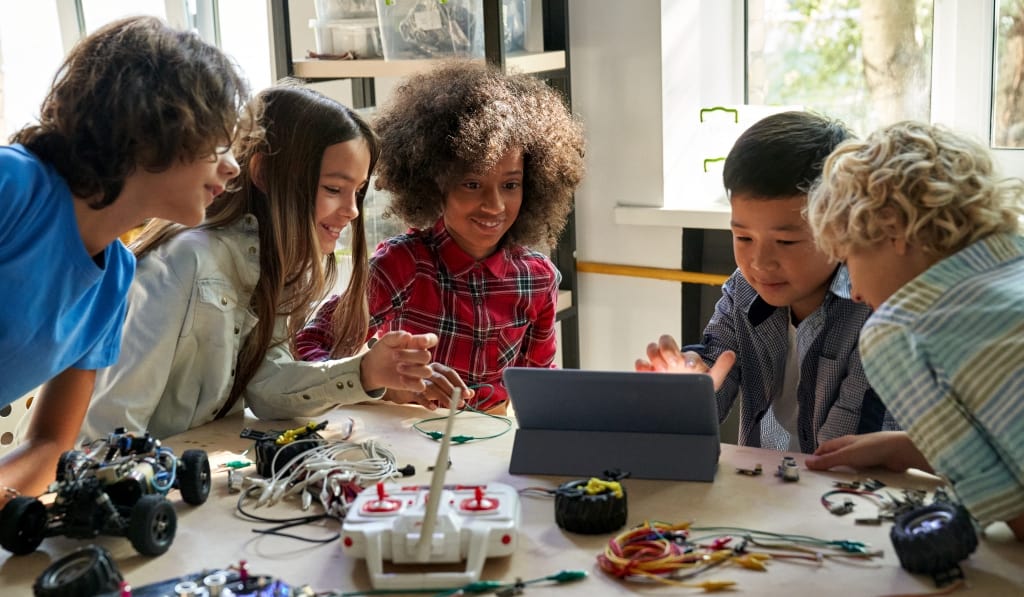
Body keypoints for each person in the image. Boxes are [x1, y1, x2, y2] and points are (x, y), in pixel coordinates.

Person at [81, 84, 451, 442]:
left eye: (357, 191)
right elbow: (110, 428)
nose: (352, 211)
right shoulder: (183, 262)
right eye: (334, 189)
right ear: (264, 174)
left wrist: (365, 372)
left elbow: (264, 387)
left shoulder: (272, 264)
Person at [0, 16, 249, 501]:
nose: (232, 165)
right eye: (218, 143)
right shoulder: (13, 187)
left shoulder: (116, 277)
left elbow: (52, 444)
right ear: (153, 123)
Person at [295, 61, 586, 413]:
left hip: (487, 447)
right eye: (472, 184)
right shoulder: (402, 266)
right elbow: (311, 346)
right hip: (411, 444)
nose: (494, 205)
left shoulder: (538, 280)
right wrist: (378, 378)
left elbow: (540, 391)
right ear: (435, 183)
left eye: (510, 185)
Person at [803, 121, 1024, 541]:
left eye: (849, 260)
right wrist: (910, 446)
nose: (855, 292)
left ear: (893, 229)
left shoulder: (900, 329)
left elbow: (1013, 513)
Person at [636, 111, 899, 453]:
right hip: (770, 492)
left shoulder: (874, 311)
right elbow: (714, 367)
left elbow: (843, 463)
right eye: (743, 238)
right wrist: (687, 391)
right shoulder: (744, 290)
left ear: (842, 228)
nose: (759, 263)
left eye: (786, 242)